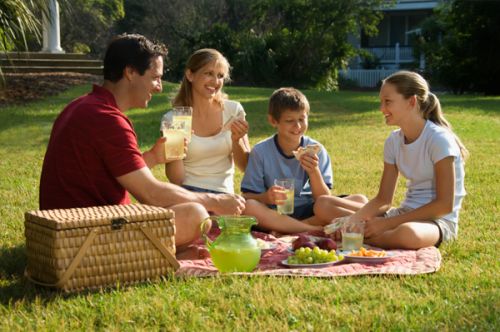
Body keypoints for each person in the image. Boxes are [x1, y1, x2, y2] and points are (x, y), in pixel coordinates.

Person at [39, 34, 245, 257]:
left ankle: (167, 251)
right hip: (81, 235)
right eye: (155, 77)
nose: (158, 87)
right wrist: (216, 201)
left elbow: (112, 175)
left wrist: (155, 157)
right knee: (195, 214)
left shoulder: (83, 106)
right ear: (130, 73)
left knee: (185, 210)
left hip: (68, 228)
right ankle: (158, 254)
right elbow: (151, 193)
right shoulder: (107, 119)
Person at [319, 70, 468, 249]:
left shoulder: (439, 140)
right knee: (324, 205)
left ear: (411, 102)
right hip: (403, 214)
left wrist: (386, 224)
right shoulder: (393, 141)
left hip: (437, 221)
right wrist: (354, 219)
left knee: (408, 235)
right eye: (381, 102)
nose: (382, 109)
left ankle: (359, 236)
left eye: (388, 102)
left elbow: (444, 205)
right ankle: (359, 232)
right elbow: (383, 199)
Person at [241, 87, 366, 234]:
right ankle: (312, 229)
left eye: (302, 119)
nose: (298, 126)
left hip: (310, 211)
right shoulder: (261, 151)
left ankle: (288, 229)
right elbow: (247, 196)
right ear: (273, 121)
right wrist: (266, 197)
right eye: (290, 121)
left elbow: (324, 198)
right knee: (249, 207)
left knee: (360, 200)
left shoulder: (317, 150)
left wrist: (314, 172)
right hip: (275, 213)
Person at [163, 48, 250, 194]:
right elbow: (176, 179)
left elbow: (245, 167)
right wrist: (176, 150)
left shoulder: (233, 111)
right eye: (209, 73)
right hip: (189, 195)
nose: (216, 82)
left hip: (223, 195)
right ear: (190, 75)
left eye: (220, 76)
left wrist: (237, 141)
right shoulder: (175, 118)